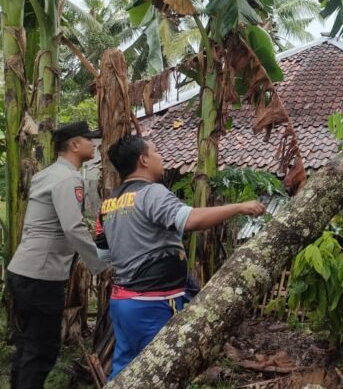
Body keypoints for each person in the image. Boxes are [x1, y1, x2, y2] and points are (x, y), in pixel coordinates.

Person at [96, 135, 266, 379]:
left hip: (124, 302)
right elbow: (189, 220)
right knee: (158, 374)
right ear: (143, 160)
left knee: (126, 367)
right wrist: (238, 207)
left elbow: (103, 254)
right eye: (156, 152)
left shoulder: (109, 203)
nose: (161, 157)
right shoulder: (151, 193)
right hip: (152, 303)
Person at [8, 121, 109, 389]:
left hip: (24, 270)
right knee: (42, 349)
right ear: (75, 145)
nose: (93, 144)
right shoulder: (69, 178)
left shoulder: (48, 174)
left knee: (29, 345)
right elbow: (72, 227)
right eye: (89, 140)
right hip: (41, 276)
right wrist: (101, 263)